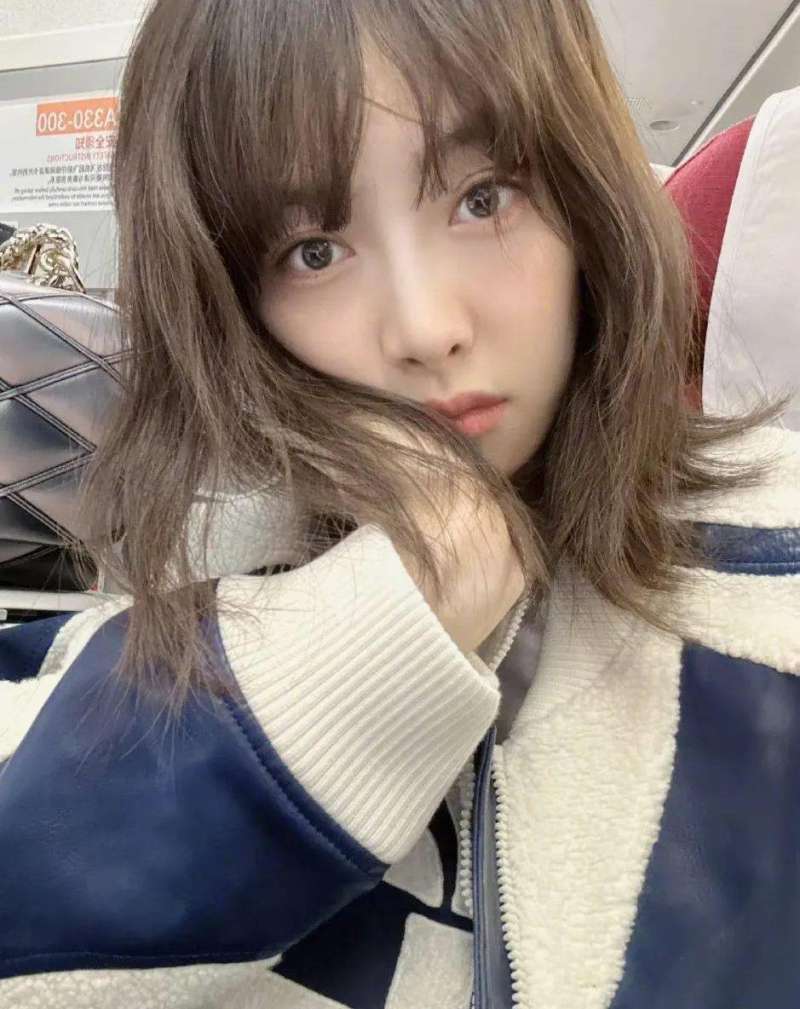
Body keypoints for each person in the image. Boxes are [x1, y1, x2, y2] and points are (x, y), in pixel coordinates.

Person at [1, 1, 798, 1007]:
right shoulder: (183, 574)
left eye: (482, 197)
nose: (424, 327)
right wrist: (384, 629)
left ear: (584, 192)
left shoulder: (771, 595)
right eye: (312, 251)